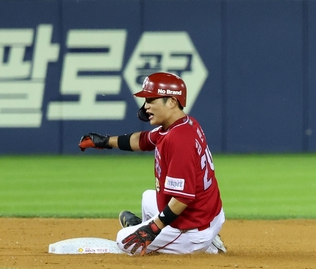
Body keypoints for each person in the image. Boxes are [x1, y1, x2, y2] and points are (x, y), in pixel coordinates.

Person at [78, 72, 226, 256]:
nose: (145, 106)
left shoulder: (180, 140)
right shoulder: (182, 125)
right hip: (208, 214)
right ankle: (205, 237)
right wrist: (105, 141)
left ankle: (208, 245)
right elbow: (143, 140)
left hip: (192, 229)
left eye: (151, 100)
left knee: (124, 240)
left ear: (171, 101)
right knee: (148, 197)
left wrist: (152, 229)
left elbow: (183, 199)